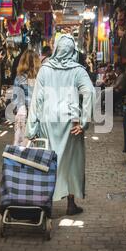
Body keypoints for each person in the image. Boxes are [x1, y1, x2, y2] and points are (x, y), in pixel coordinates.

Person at [26, 34, 95, 215]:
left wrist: (31, 128)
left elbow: (36, 100)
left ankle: (46, 203)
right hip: (71, 123)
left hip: (47, 121)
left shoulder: (45, 69)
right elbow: (90, 92)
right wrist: (84, 121)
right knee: (72, 162)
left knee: (47, 160)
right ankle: (71, 204)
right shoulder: (78, 70)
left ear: (56, 48)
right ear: (73, 50)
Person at [12, 50, 41, 146]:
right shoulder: (41, 77)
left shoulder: (19, 78)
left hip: (23, 115)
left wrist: (17, 110)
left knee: (22, 144)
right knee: (37, 143)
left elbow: (16, 99)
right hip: (38, 115)